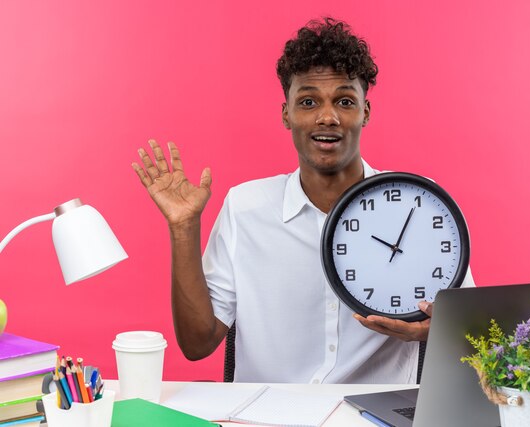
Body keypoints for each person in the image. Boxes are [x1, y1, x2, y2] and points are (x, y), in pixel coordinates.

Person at [132, 18, 474, 383]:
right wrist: (183, 228)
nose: (327, 117)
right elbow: (197, 344)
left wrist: (430, 332)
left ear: (365, 112)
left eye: (344, 101)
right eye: (308, 101)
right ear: (287, 114)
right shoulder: (245, 207)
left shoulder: (421, 204)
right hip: (262, 416)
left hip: (370, 416)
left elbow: (469, 330)